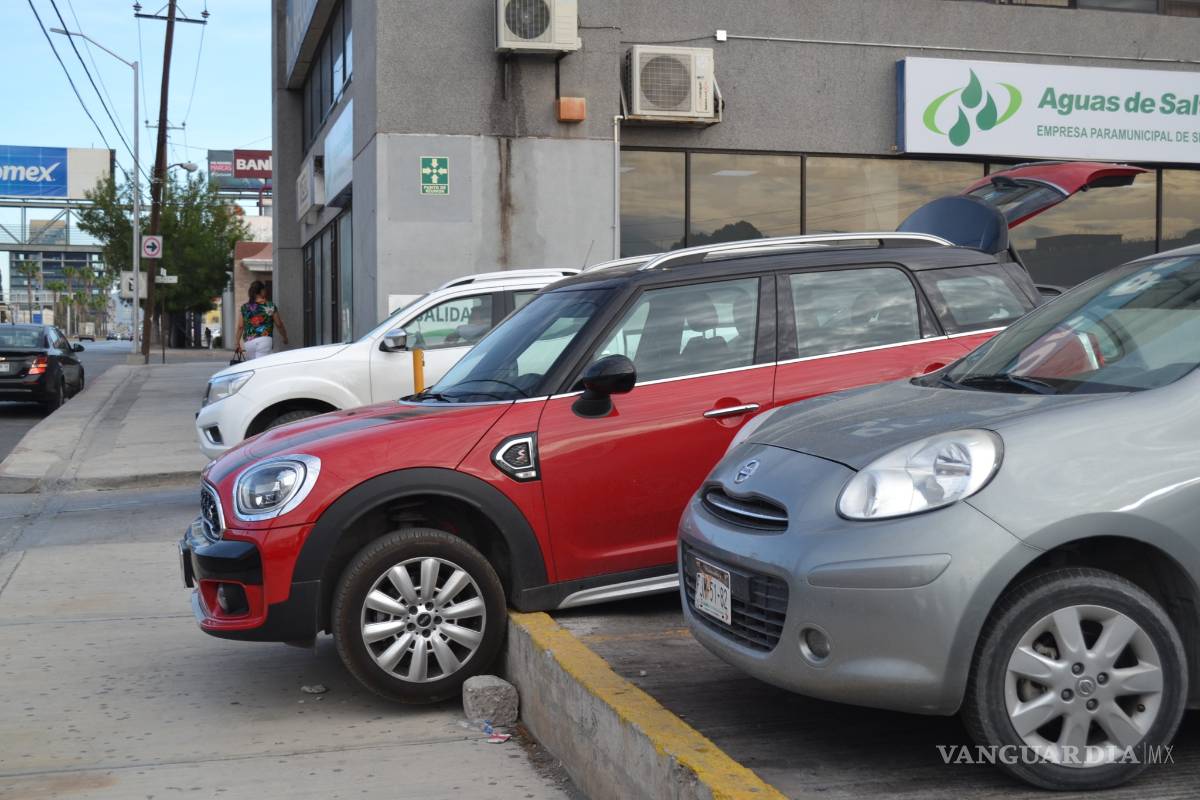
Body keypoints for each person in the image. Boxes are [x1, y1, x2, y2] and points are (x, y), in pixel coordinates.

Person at [235, 281, 288, 360]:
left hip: (249, 342)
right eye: (264, 290)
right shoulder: (270, 306)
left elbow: (240, 326)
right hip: (264, 339)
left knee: (254, 366)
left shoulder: (245, 307)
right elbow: (279, 324)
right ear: (261, 291)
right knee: (261, 366)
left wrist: (237, 343)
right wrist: (285, 337)